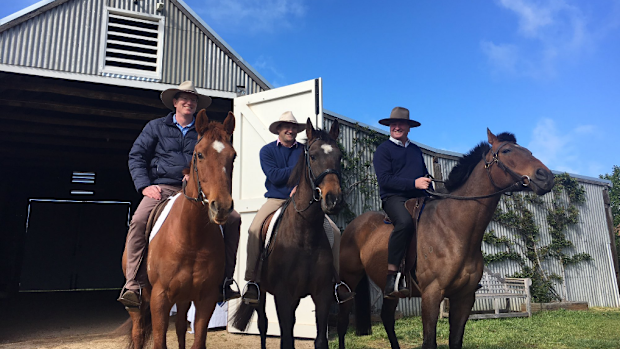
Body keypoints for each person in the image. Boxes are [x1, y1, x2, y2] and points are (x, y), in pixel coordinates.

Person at [117, 81, 241, 308]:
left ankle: (226, 280)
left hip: (194, 190)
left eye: (193, 99)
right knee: (138, 220)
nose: (189, 102)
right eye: (184, 98)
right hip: (162, 188)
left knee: (233, 219)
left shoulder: (204, 132)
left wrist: (196, 179)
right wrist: (144, 185)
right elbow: (136, 156)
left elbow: (213, 160)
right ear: (175, 102)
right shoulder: (155, 127)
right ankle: (133, 283)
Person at [240, 111, 354, 304]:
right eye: (286, 126)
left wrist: (302, 186)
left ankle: (336, 282)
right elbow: (274, 176)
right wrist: (300, 174)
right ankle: (253, 281)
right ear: (278, 129)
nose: (290, 130)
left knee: (334, 232)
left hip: (304, 202)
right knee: (254, 229)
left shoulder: (307, 149)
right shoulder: (267, 151)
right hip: (277, 199)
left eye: (293, 127)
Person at [373, 107, 432, 298]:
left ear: (408, 128)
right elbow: (385, 180)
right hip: (394, 198)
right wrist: (414, 183)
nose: (396, 127)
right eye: (393, 124)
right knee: (405, 223)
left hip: (418, 198)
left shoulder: (416, 151)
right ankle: (392, 277)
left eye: (401, 124)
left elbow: (422, 174)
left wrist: (426, 181)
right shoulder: (383, 150)